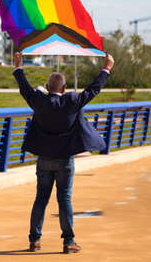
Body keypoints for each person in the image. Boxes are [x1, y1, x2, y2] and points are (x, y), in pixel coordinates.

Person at [12, 52, 115, 254]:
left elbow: (24, 87)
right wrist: (106, 68)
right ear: (64, 88)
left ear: (48, 88)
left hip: (44, 159)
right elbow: (93, 90)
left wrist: (18, 66)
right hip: (65, 160)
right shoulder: (72, 102)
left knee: (41, 199)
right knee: (64, 199)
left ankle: (34, 240)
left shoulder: (38, 101)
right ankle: (68, 242)